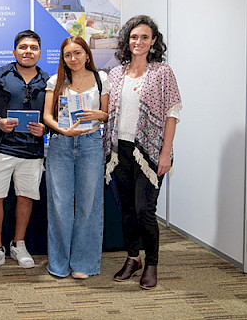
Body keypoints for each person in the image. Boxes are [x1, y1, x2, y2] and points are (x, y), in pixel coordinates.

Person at [104, 15, 181, 290]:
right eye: (134, 37)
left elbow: (172, 114)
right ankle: (132, 258)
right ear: (127, 40)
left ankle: (151, 263)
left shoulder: (162, 73)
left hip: (149, 152)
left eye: (144, 37)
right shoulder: (115, 73)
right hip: (119, 150)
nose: (138, 42)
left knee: (145, 211)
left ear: (153, 41)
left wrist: (165, 153)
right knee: (127, 209)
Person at [0, 30, 48, 275]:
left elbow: (52, 115)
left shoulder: (47, 80)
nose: (28, 51)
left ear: (39, 52)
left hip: (32, 151)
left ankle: (18, 245)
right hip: (1, 148)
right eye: (23, 47)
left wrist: (45, 128)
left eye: (33, 47)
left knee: (25, 197)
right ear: (14, 51)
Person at [43, 36, 109, 279]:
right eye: (68, 55)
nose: (73, 59)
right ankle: (59, 264)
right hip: (61, 144)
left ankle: (83, 263)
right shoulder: (55, 81)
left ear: (87, 54)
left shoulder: (101, 79)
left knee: (88, 205)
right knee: (59, 205)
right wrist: (62, 130)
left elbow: (106, 114)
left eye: (78, 53)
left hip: (91, 144)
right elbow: (47, 116)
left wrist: (98, 114)